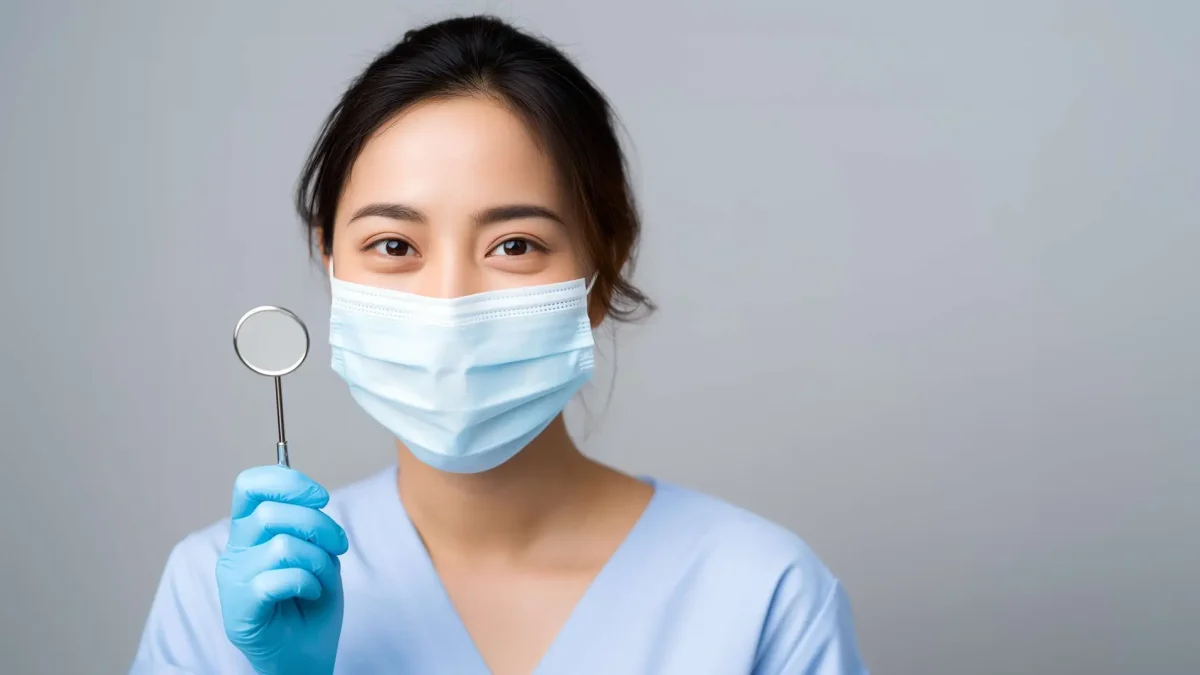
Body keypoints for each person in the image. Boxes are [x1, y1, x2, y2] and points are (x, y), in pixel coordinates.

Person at [130, 15, 869, 675]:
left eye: (514, 244)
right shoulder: (220, 595)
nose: (452, 300)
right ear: (333, 266)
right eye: (394, 244)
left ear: (602, 272)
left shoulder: (761, 596)